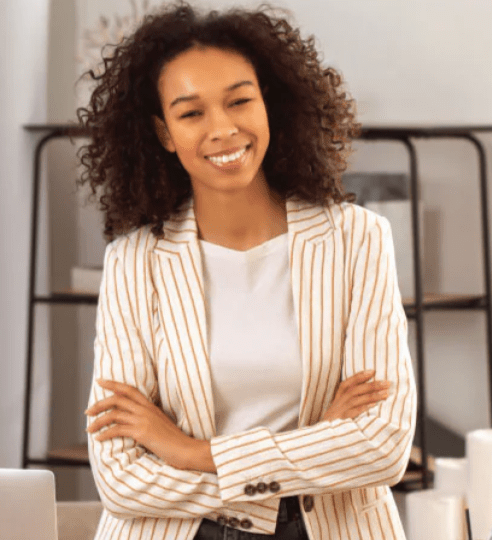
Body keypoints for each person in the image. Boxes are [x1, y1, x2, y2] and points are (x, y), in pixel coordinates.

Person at [76, 2, 417, 539]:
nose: (223, 129)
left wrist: (193, 452)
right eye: (191, 113)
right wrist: (313, 450)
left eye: (240, 101)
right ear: (164, 133)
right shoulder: (133, 263)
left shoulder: (358, 239)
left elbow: (383, 446)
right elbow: (120, 478)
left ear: (269, 107)